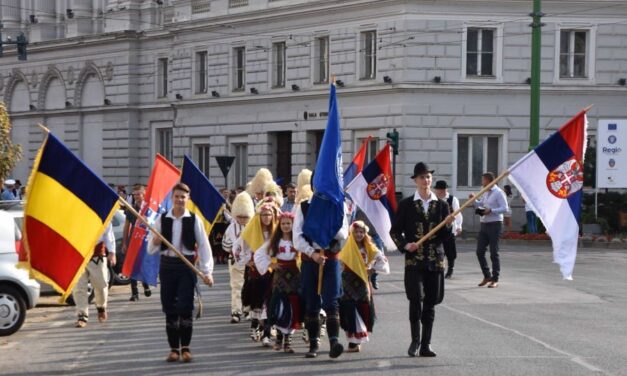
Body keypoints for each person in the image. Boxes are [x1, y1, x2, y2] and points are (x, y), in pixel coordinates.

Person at [390, 162, 454, 358]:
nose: (425, 181)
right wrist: (404, 245)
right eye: (422, 177)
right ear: (415, 181)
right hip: (414, 261)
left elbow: (444, 237)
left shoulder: (442, 205)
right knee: (416, 298)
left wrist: (449, 227)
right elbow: (394, 232)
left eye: (428, 177)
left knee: (431, 302)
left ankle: (426, 344)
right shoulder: (407, 205)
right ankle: (415, 341)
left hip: (435, 261)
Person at [147, 182, 214, 363]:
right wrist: (154, 241)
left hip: (187, 267)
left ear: (188, 199)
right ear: (172, 198)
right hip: (168, 267)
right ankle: (173, 349)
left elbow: (204, 246)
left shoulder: (194, 220)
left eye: (183, 197)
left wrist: (207, 271)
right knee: (170, 308)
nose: (179, 200)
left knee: (185, 307)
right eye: (176, 196)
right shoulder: (162, 219)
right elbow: (150, 250)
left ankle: (185, 347)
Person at [293, 184, 349, 359]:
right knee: (311, 302)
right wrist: (312, 253)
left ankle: (334, 342)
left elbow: (344, 233)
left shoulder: (337, 205)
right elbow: (297, 237)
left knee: (332, 301)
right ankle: (313, 343)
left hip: (330, 259)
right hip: (311, 260)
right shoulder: (303, 206)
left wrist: (328, 227)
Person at [254, 211, 302, 353]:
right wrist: (270, 265)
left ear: (293, 225)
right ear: (279, 225)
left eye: (288, 223)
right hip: (280, 277)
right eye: (283, 223)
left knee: (293, 307)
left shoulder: (298, 240)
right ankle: (279, 338)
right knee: (279, 307)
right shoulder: (274, 241)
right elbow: (259, 254)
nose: (286, 226)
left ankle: (288, 341)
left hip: (295, 276)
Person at [234, 197, 280, 347]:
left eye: (269, 215)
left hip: (272, 270)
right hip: (256, 271)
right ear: (259, 216)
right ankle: (255, 326)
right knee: (257, 300)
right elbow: (237, 247)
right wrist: (247, 260)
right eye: (264, 214)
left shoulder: (276, 231)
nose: (266, 218)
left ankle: (267, 332)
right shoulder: (251, 229)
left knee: (269, 299)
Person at [338, 220, 389, 353]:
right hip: (347, 282)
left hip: (362, 283)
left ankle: (356, 341)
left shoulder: (369, 247)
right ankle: (352, 341)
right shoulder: (346, 246)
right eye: (356, 232)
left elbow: (381, 259)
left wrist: (372, 270)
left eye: (361, 232)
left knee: (361, 309)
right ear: (351, 233)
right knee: (349, 309)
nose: (359, 234)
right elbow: (339, 263)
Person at [469, 172, 509, 289]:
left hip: (495, 224)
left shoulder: (499, 193)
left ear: (489, 181)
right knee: (479, 251)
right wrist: (474, 200)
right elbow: (481, 204)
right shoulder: (486, 191)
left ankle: (495, 279)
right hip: (484, 224)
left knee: (493, 252)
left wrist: (491, 210)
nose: (482, 183)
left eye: (483, 180)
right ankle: (487, 275)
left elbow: (505, 208)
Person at [74, 224, 116, 328]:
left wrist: (112, 252)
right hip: (78, 254)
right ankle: (82, 316)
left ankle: (101, 307)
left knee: (101, 285)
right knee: (79, 288)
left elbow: (108, 233)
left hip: (97, 254)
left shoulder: (101, 210)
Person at [222, 192, 254, 323]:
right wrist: (234, 247)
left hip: (251, 261)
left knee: (249, 285)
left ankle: (248, 308)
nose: (242, 219)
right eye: (239, 217)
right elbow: (224, 244)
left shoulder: (253, 226)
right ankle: (236, 311)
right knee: (236, 286)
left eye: (245, 217)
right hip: (235, 260)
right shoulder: (231, 227)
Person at [122, 184, 152, 301]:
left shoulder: (149, 209)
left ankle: (145, 285)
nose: (136, 197)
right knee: (132, 266)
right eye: (134, 195)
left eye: (138, 194)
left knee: (143, 264)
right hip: (133, 240)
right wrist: (124, 242)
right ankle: (134, 293)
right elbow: (126, 226)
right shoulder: (131, 209)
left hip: (146, 241)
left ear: (144, 194)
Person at [434, 180, 463, 279]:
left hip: (450, 229)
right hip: (437, 229)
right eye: (438, 190)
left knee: (450, 250)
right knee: (438, 249)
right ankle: (439, 268)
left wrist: (459, 226)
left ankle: (450, 269)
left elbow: (458, 214)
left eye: (442, 190)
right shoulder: (434, 199)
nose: (440, 192)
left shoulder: (452, 199)